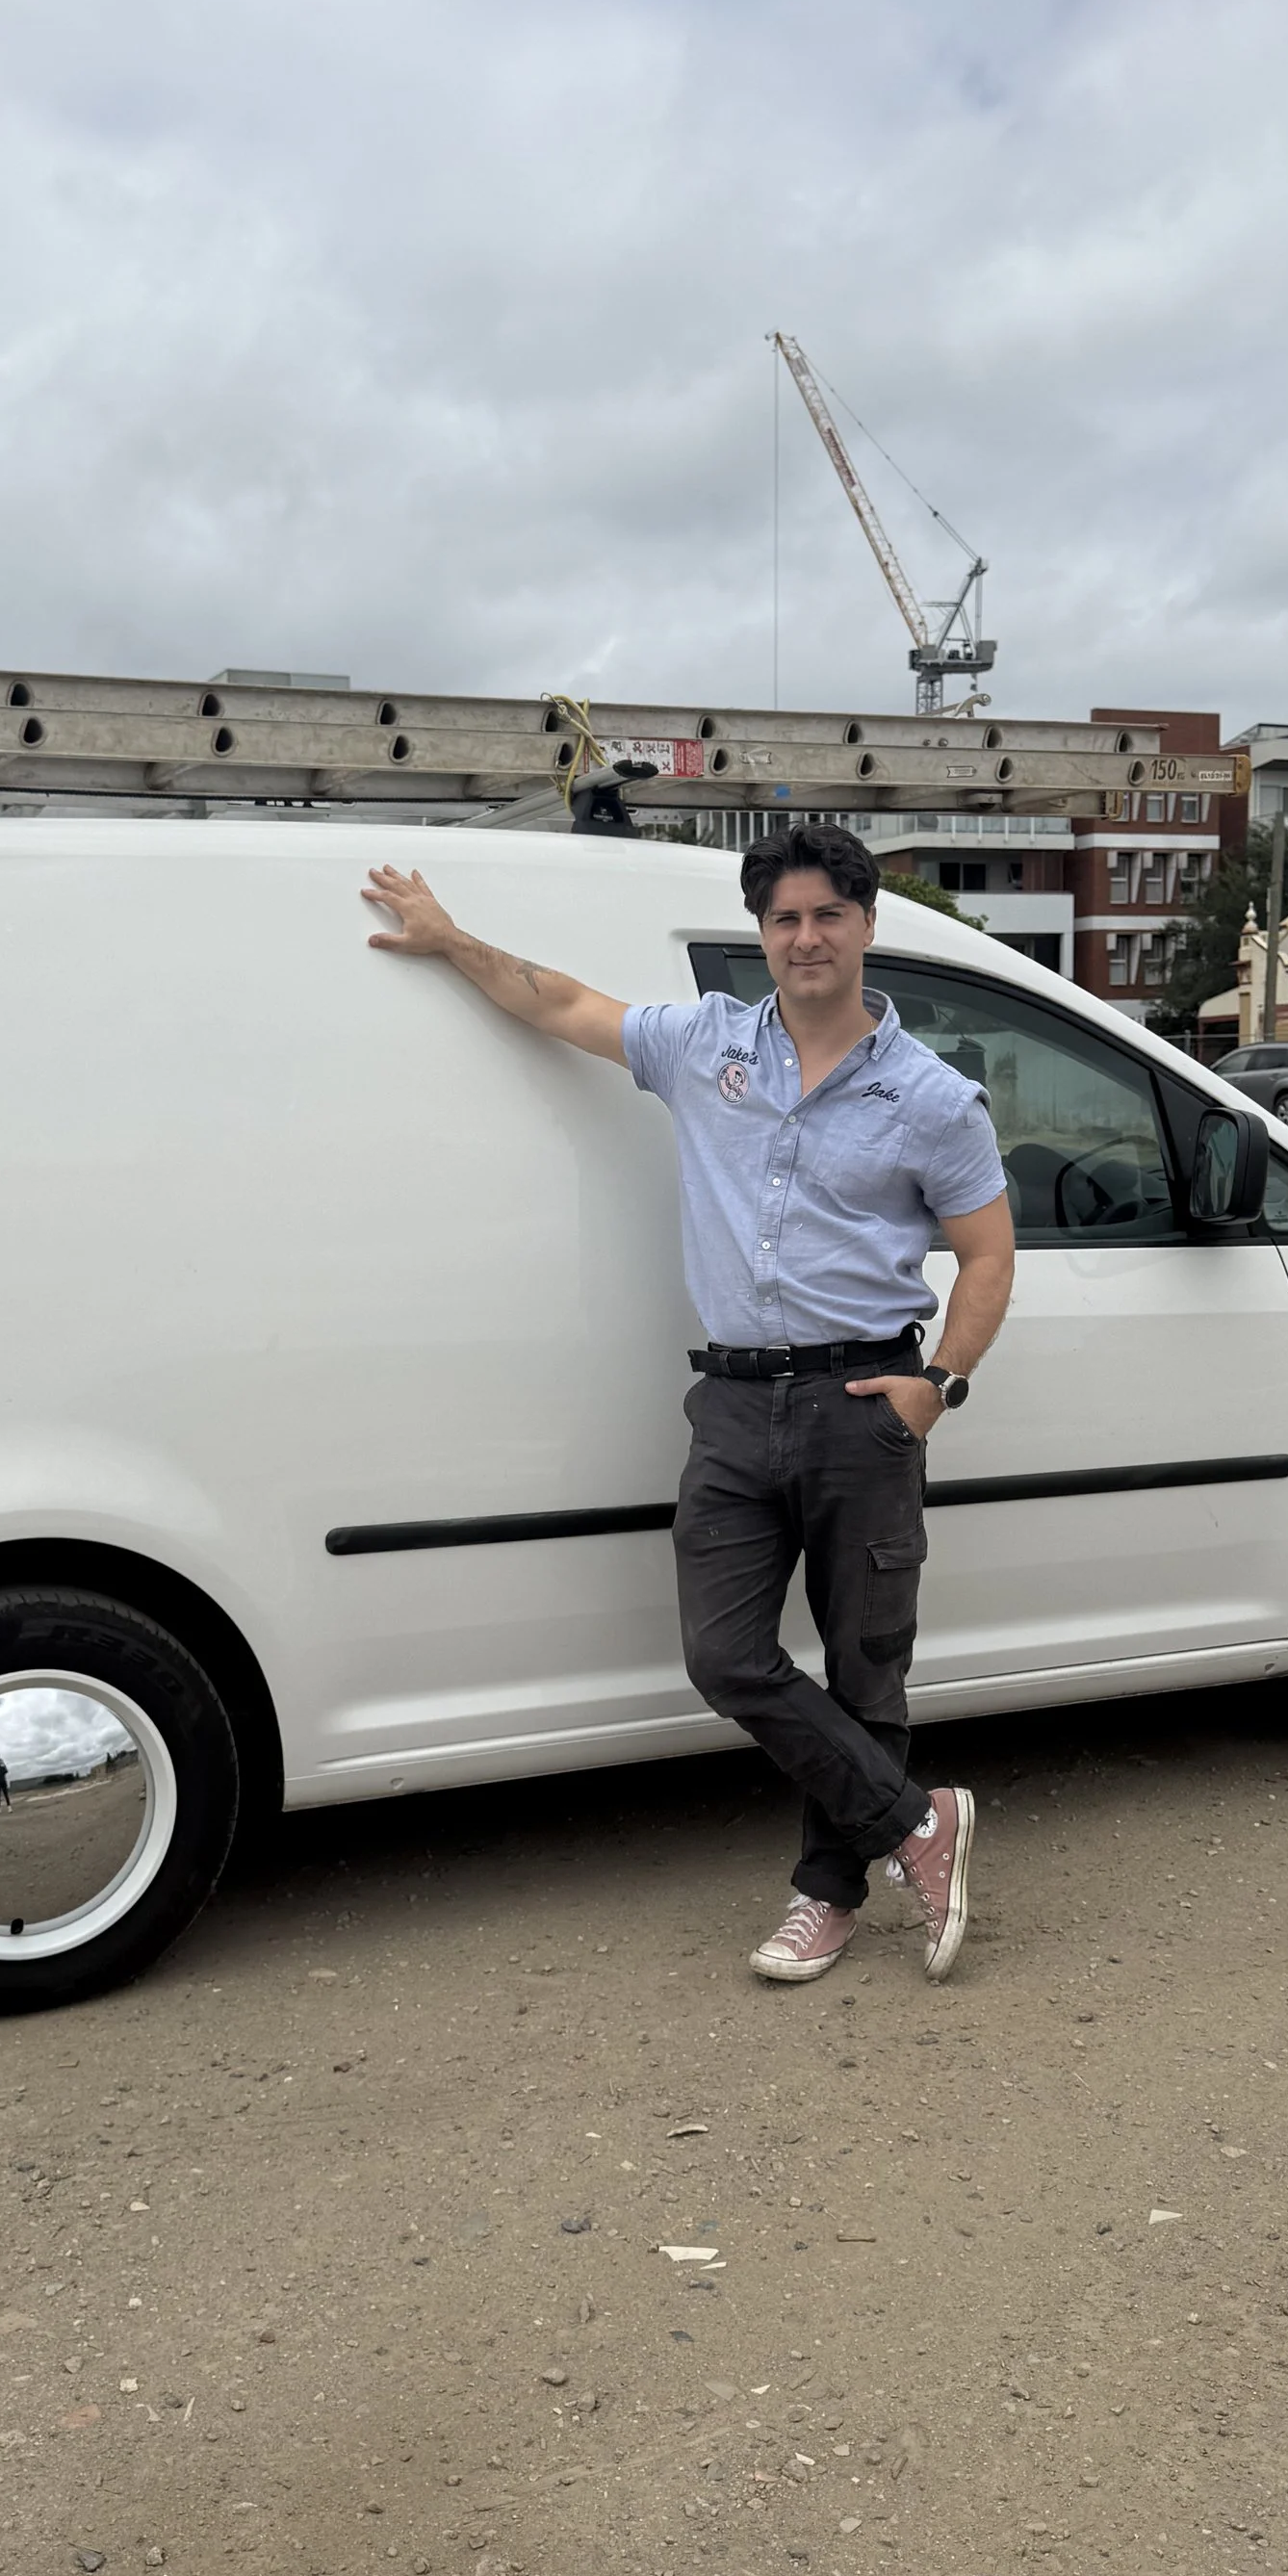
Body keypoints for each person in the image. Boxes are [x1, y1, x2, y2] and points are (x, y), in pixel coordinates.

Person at [363, 820, 1015, 1986]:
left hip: (860, 1399)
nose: (805, 937)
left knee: (867, 1669)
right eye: (783, 919)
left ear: (866, 925)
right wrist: (450, 938)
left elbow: (987, 1255)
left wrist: (935, 1390)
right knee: (725, 1657)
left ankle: (827, 1895)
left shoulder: (930, 1098)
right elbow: (559, 1004)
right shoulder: (703, 1045)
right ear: (759, 933)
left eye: (827, 915)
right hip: (730, 1404)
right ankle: (920, 1822)